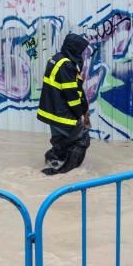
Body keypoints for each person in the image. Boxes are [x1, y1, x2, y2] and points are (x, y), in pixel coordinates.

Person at [37, 33, 91, 175]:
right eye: (80, 51)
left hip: (52, 112)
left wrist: (84, 107)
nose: (82, 54)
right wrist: (80, 114)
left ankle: (53, 160)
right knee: (81, 138)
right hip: (61, 113)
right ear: (73, 49)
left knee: (62, 139)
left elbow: (73, 88)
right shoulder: (66, 65)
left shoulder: (56, 59)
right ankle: (64, 173)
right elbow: (71, 95)